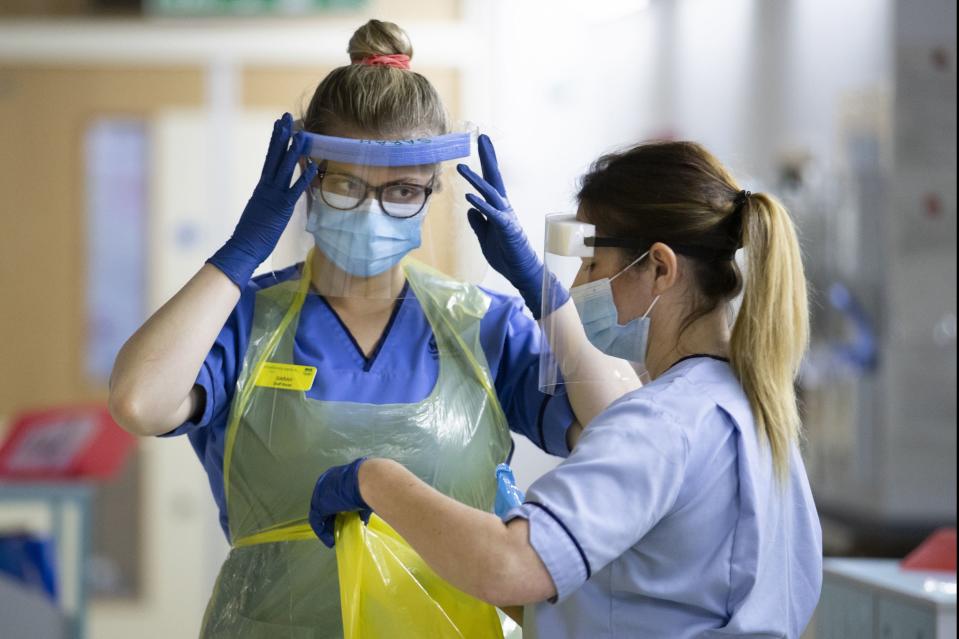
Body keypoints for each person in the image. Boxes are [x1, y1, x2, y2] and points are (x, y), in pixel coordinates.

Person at [108, 20, 629, 637]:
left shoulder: (483, 326)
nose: (373, 209)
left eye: (402, 190)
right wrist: (242, 250)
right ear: (306, 178)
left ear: (433, 191)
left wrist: (542, 291)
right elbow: (139, 401)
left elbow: (624, 434)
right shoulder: (247, 321)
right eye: (346, 183)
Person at [311, 139, 824, 638]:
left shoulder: (661, 422)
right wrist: (450, 536)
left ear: (660, 269)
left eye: (593, 265)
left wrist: (375, 480)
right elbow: (628, 600)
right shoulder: (753, 410)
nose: (578, 288)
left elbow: (512, 567)